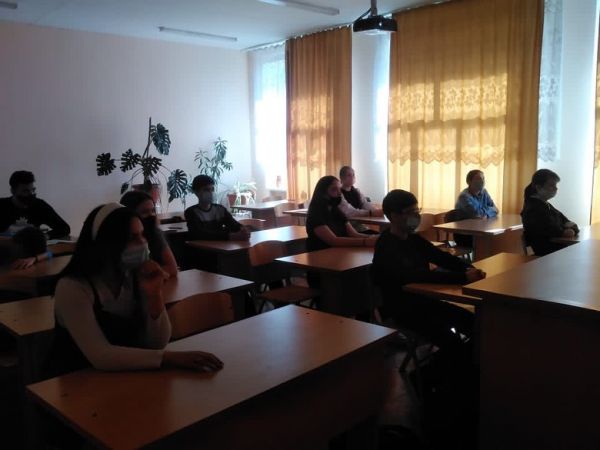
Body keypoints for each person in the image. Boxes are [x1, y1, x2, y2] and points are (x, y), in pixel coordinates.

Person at [50, 203, 223, 375]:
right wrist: (169, 358)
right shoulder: (73, 287)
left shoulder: (134, 276)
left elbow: (157, 344)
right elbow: (101, 355)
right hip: (78, 380)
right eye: (132, 238)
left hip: (126, 375)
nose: (143, 243)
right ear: (107, 243)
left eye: (142, 235)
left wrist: (154, 295)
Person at [371, 189, 485, 354]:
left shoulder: (413, 238)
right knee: (453, 342)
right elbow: (417, 276)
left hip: (425, 301)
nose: (416, 216)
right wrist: (462, 277)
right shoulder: (386, 245)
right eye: (410, 212)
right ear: (394, 216)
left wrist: (468, 268)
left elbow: (440, 257)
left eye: (417, 210)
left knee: (475, 324)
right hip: (403, 309)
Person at [306, 175, 378, 252]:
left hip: (340, 252)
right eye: (334, 189)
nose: (339, 193)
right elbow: (333, 241)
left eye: (339, 189)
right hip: (321, 254)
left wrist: (375, 238)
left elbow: (354, 234)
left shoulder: (336, 210)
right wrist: (365, 242)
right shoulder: (316, 213)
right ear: (322, 193)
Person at [120, 190, 178, 277]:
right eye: (144, 212)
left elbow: (172, 268)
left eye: (153, 211)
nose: (151, 216)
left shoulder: (155, 233)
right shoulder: (121, 238)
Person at [521, 169, 579, 256]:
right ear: (538, 187)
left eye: (556, 185)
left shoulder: (546, 204)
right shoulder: (533, 208)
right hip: (545, 254)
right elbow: (551, 230)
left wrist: (570, 229)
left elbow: (569, 223)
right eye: (552, 185)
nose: (556, 188)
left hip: (555, 250)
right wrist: (564, 231)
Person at [0, 170, 70, 239]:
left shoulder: (40, 205)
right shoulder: (2, 205)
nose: (31, 194)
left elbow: (64, 228)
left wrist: (45, 236)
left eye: (33, 190)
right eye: (25, 191)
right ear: (13, 191)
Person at [185, 175, 249, 241]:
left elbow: (234, 225)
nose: (211, 193)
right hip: (201, 247)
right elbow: (199, 234)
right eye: (206, 190)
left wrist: (243, 230)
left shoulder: (220, 209)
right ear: (196, 192)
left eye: (212, 189)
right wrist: (229, 236)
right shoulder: (191, 212)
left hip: (221, 246)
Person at [338, 166, 383, 234]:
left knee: (381, 235)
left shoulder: (357, 192)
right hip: (347, 228)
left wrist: (377, 211)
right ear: (342, 178)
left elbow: (366, 204)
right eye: (349, 175)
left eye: (353, 175)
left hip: (359, 226)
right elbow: (350, 212)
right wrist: (370, 213)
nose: (352, 177)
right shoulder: (339, 194)